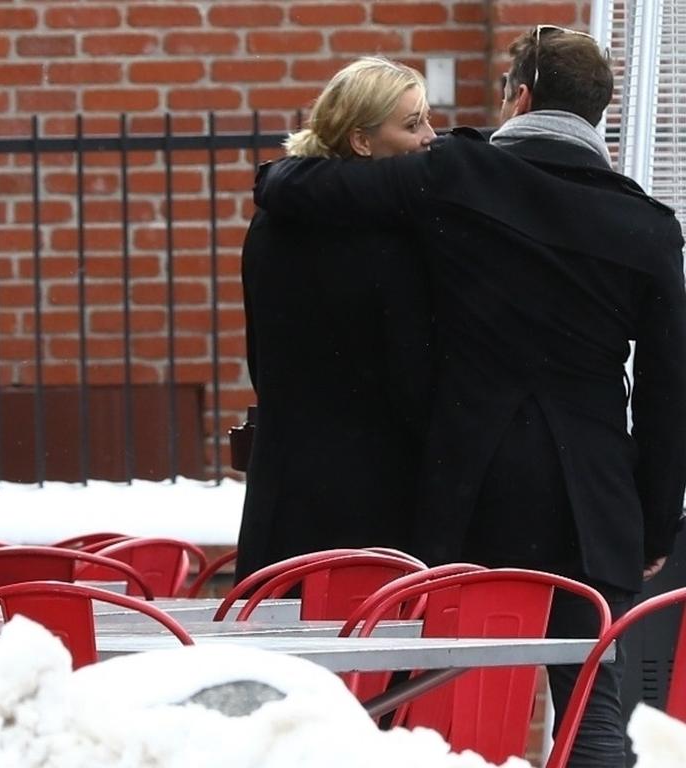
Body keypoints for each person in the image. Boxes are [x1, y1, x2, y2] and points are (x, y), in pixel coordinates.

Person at [254, 27, 686, 766]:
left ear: (517, 96)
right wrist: (650, 524)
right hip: (591, 491)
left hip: (470, 481)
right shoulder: (647, 227)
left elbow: (310, 186)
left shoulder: (459, 174)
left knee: (437, 691)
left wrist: (275, 176)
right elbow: (668, 390)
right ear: (601, 115)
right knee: (590, 697)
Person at [234, 57, 437, 582]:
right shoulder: (394, 237)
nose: (429, 138)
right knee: (374, 651)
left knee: (291, 654)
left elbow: (263, 351)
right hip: (379, 487)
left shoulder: (272, 223)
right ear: (362, 141)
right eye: (412, 124)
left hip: (287, 478)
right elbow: (412, 370)